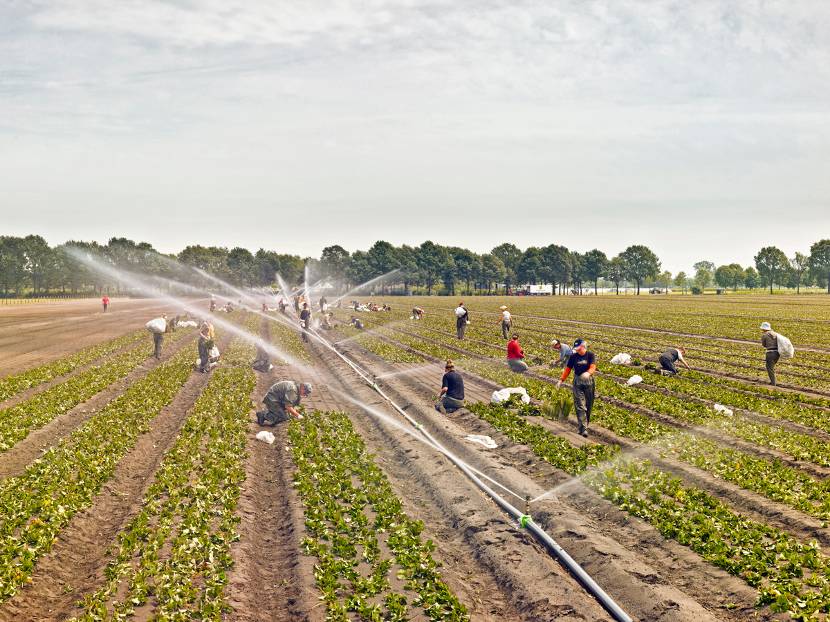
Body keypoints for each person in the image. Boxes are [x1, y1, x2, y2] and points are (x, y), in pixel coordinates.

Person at [557, 339, 596, 437]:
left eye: (579, 349)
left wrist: (588, 373)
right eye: (576, 349)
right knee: (580, 406)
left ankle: (584, 425)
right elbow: (568, 369)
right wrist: (561, 380)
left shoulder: (590, 355)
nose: (577, 351)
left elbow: (593, 367)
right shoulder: (573, 357)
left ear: (583, 346)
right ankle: (583, 429)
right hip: (578, 382)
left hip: (589, 382)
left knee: (588, 405)